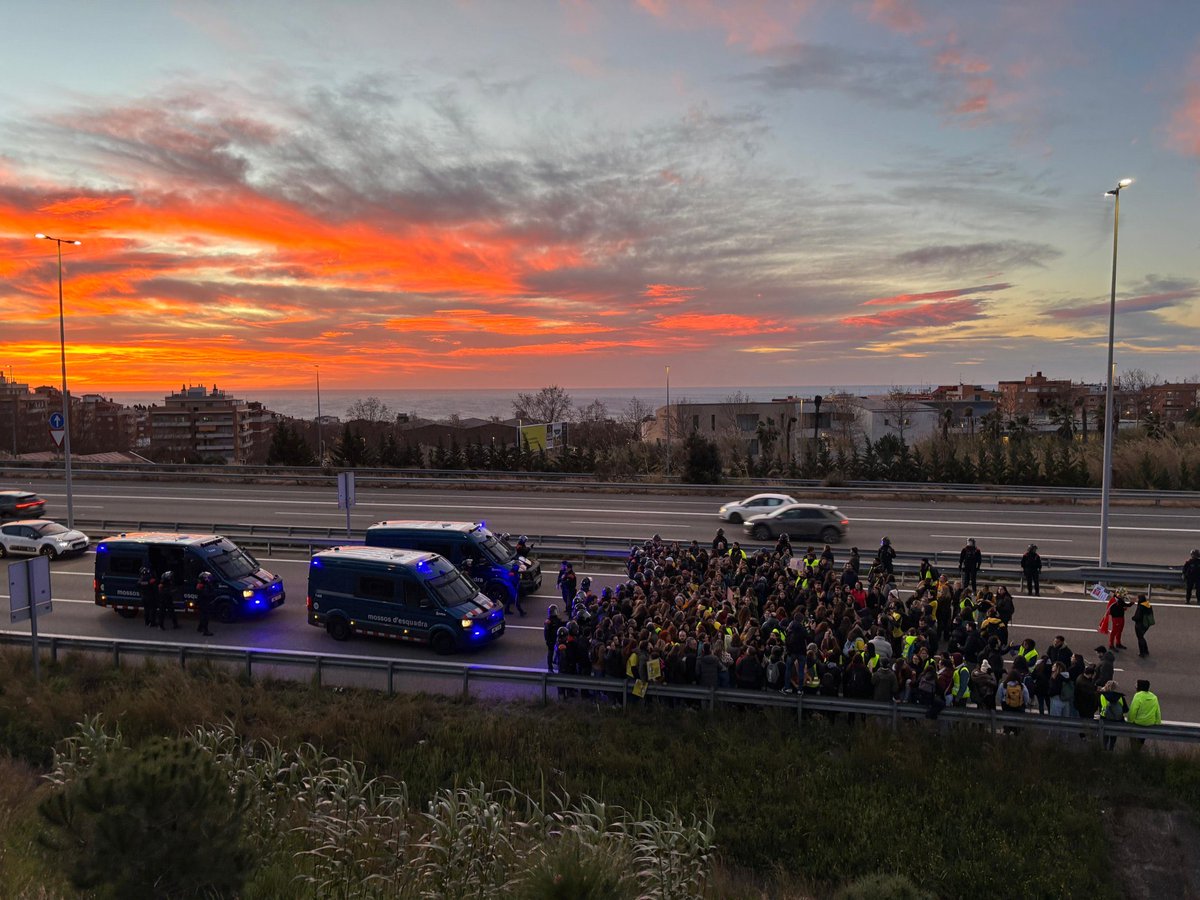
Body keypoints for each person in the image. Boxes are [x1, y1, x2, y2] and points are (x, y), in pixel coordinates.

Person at [1127, 679, 1162, 749]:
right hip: (1149, 723)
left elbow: (1133, 710)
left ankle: (1134, 751)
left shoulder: (1138, 696)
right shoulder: (1154, 697)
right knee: (1141, 738)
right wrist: (1158, 722)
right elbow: (1157, 711)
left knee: (1132, 736)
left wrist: (1130, 721)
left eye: (1136, 685)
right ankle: (1138, 748)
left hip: (1138, 722)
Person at [1098, 680, 1128, 751]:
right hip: (1116, 720)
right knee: (1113, 737)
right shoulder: (1120, 697)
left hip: (1104, 719)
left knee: (1105, 736)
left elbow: (1099, 706)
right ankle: (1111, 750)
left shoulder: (1102, 695)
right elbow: (1126, 709)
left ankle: (1104, 751)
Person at [1131, 594, 1154, 658]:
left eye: (1137, 598)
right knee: (1142, 637)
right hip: (1146, 624)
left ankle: (1142, 652)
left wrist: (1133, 618)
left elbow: (1138, 616)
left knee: (1140, 638)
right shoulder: (1148, 605)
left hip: (1140, 625)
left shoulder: (1141, 607)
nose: (1136, 599)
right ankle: (1146, 650)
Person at [543, 604, 563, 671]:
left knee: (554, 652)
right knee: (553, 652)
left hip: (553, 639)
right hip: (553, 639)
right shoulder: (549, 622)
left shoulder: (551, 621)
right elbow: (546, 632)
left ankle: (552, 664)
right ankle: (550, 666)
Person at [195, 571, 215, 636]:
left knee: (203, 615)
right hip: (204, 602)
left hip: (202, 602)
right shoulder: (204, 586)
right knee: (205, 617)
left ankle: (200, 627)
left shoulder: (201, 585)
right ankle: (205, 631)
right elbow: (206, 594)